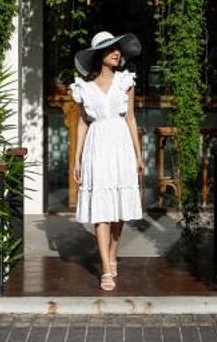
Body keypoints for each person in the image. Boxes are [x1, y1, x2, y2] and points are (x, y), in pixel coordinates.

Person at [69, 29, 145, 291]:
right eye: (111, 49)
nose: (117, 53)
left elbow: (131, 118)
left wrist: (138, 154)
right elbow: (82, 123)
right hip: (97, 148)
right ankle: (105, 267)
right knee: (101, 208)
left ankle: (113, 252)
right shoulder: (84, 89)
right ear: (99, 55)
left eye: (118, 49)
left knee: (119, 209)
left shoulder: (126, 81)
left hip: (121, 146)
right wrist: (77, 160)